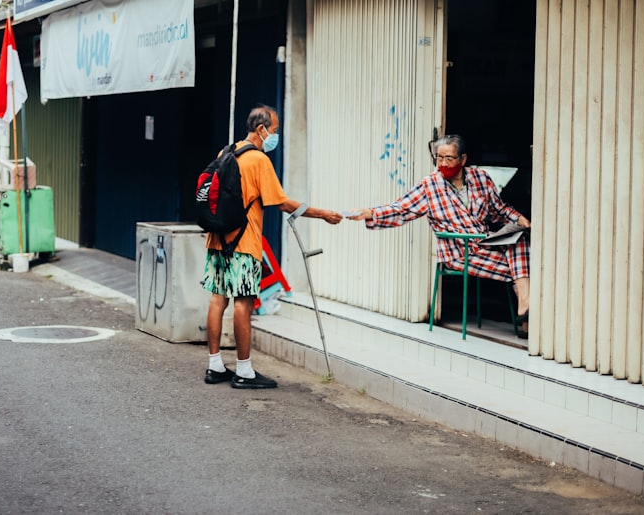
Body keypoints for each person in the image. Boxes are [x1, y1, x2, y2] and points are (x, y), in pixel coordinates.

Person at [203, 105, 342, 389]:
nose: (275, 136)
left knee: (218, 300)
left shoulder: (225, 152)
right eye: (275, 130)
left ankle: (214, 365)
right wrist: (323, 213)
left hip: (217, 240)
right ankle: (244, 371)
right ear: (261, 129)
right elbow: (281, 202)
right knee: (243, 303)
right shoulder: (258, 161)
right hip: (243, 244)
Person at [347, 134, 531, 336]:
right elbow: (401, 209)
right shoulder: (430, 184)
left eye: (449, 158)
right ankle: (526, 313)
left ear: (463, 159)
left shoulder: (481, 178)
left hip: (485, 242)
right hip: (459, 252)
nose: (443, 163)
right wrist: (371, 213)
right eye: (439, 158)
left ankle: (525, 307)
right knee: (527, 269)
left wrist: (519, 218)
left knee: (521, 240)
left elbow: (499, 209)